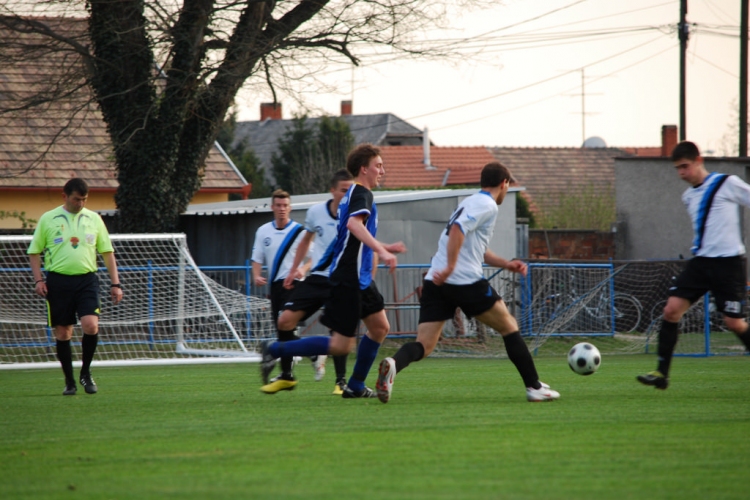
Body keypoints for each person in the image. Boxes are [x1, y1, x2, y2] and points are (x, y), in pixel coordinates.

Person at [375, 162, 560, 403]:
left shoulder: (469, 202)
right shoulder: (488, 205)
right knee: (509, 326)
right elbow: (458, 232)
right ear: (504, 184)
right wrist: (452, 267)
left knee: (425, 345)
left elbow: (478, 250)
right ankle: (534, 387)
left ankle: (393, 364)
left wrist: (506, 263)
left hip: (436, 280)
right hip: (463, 281)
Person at [260, 143, 406, 398]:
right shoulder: (361, 193)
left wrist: (383, 246)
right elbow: (353, 224)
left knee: (380, 327)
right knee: (341, 345)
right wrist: (381, 252)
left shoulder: (355, 194)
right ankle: (275, 349)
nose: (382, 170)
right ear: (364, 169)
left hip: (358, 277)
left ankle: (356, 386)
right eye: (378, 165)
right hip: (348, 277)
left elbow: (354, 236)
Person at [638, 141, 750, 390]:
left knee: (735, 323)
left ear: (699, 161)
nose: (681, 173)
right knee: (671, 310)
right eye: (678, 168)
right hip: (701, 263)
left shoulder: (726, 184)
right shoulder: (688, 196)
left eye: (685, 166)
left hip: (728, 264)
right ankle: (661, 373)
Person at [27, 178, 123, 396]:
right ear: (65, 196)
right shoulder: (48, 219)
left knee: (91, 325)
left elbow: (107, 252)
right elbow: (34, 252)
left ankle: (86, 373)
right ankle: (69, 381)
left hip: (87, 280)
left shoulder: (94, 219)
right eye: (76, 199)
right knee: (63, 332)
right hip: (58, 281)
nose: (80, 203)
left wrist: (116, 283)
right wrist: (38, 280)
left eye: (84, 199)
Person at [277, 169, 354, 395]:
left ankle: (341, 382)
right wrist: (294, 270)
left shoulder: (357, 215)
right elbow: (305, 241)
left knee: (338, 329)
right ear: (332, 191)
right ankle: (289, 372)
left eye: (351, 191)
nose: (348, 194)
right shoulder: (315, 212)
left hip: (341, 280)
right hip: (317, 279)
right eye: (344, 190)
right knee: (284, 321)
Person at [252, 189, 310, 394]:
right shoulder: (263, 231)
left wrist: (302, 269)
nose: (282, 209)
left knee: (285, 327)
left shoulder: (300, 232)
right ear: (272, 207)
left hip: (295, 285)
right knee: (282, 331)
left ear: (290, 207)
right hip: (276, 286)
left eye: (285, 205)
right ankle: (288, 373)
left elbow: (315, 256)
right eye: (278, 205)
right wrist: (256, 275)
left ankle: (312, 354)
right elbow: (256, 258)